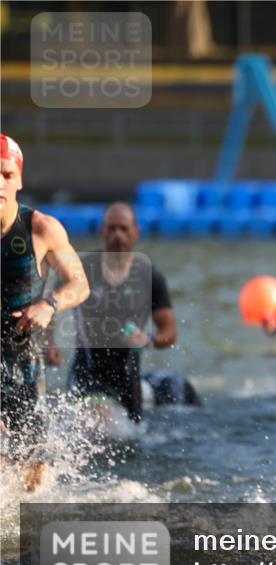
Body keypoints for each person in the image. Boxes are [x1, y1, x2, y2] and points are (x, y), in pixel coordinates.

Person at [1, 134, 90, 492]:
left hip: (23, 359)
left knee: (32, 478)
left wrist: (48, 305)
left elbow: (79, 284)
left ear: (19, 180)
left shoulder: (41, 229)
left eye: (6, 175)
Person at [63, 203, 176, 423]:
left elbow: (169, 332)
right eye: (112, 228)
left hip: (128, 375)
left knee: (131, 436)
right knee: (97, 423)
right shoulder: (82, 269)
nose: (118, 235)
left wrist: (149, 339)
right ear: (102, 231)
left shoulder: (150, 277)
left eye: (124, 228)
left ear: (136, 232)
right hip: (88, 371)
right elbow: (53, 302)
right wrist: (50, 342)